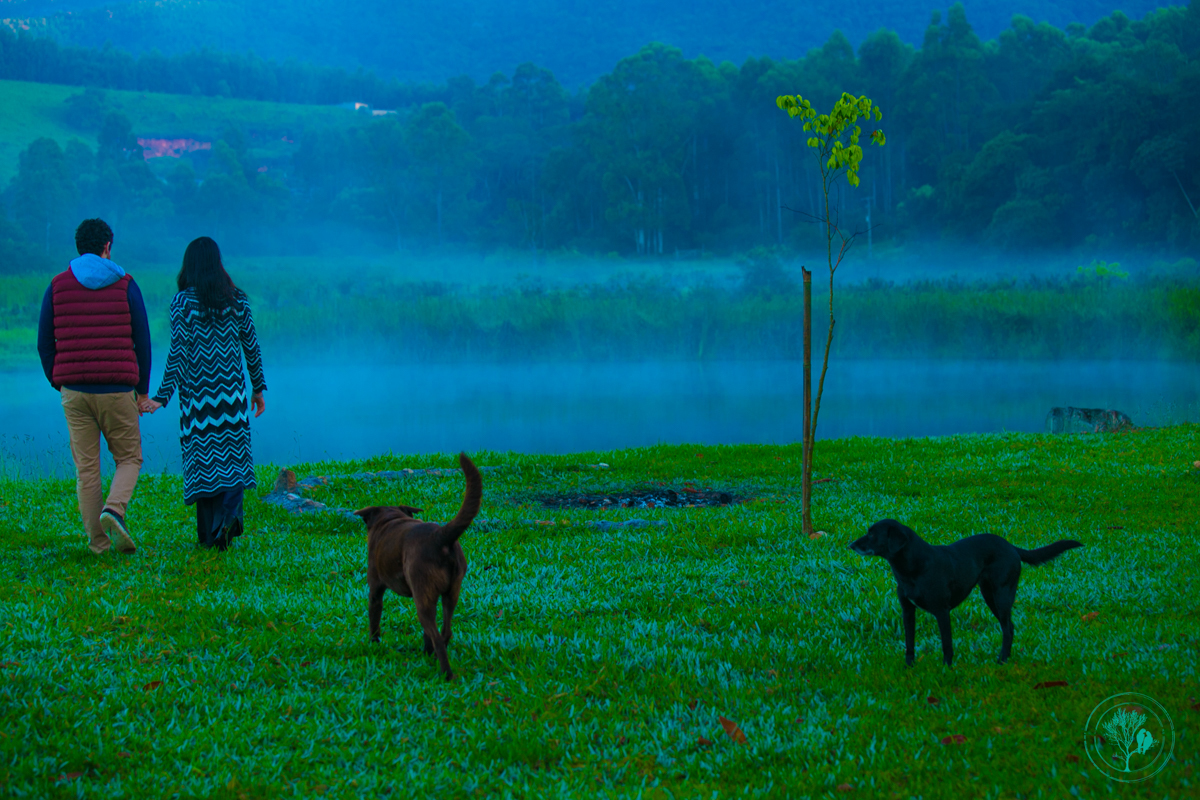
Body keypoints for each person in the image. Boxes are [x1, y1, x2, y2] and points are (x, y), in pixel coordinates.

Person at [141, 237, 267, 551]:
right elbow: (250, 346)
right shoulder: (237, 299)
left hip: (197, 400)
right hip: (232, 397)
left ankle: (210, 534)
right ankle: (228, 520)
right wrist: (258, 388)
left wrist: (162, 396)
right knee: (234, 461)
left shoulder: (182, 302)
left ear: (190, 265)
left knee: (205, 462)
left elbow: (178, 352)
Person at [37, 218, 151, 555]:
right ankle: (114, 510)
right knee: (129, 458)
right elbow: (142, 341)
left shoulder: (57, 285)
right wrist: (142, 390)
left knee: (87, 469)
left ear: (78, 247)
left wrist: (60, 381)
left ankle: (99, 545)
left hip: (74, 390)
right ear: (108, 246)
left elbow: (45, 343)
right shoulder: (126, 284)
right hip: (117, 389)